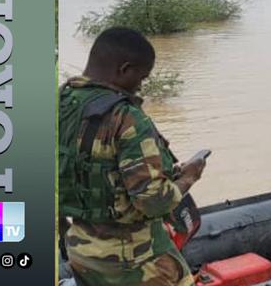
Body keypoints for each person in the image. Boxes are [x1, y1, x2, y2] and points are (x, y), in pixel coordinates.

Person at [59, 28, 207, 286]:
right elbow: (153, 202)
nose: (140, 86)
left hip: (81, 251)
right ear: (124, 69)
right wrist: (188, 178)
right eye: (141, 77)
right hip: (135, 261)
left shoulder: (61, 101)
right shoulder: (126, 118)